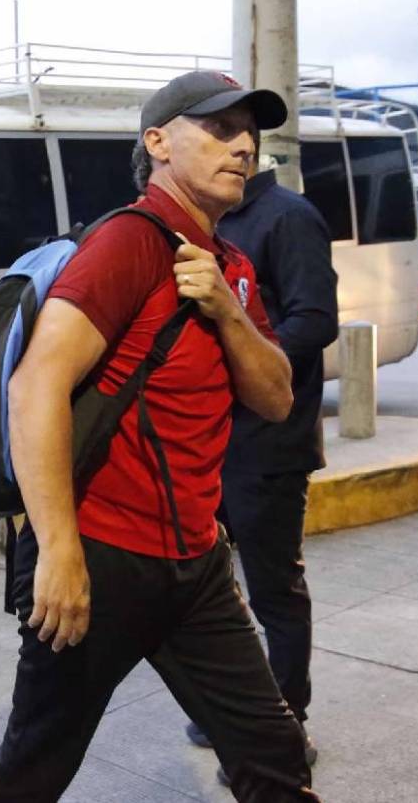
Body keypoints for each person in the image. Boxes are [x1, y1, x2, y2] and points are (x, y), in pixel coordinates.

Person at [0, 71, 319, 803]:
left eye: (249, 133)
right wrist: (60, 553)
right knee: (32, 770)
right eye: (219, 129)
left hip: (195, 566)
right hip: (104, 560)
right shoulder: (130, 242)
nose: (243, 146)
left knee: (276, 756)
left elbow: (276, 396)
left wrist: (228, 311)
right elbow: (34, 385)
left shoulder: (229, 267)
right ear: (157, 142)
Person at [184, 154, 338, 764]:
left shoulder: (288, 217)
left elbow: (316, 321)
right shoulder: (211, 225)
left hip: (270, 445)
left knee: (276, 593)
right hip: (214, 441)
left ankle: (286, 727)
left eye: (236, 138)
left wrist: (245, 353)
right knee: (218, 593)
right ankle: (246, 712)